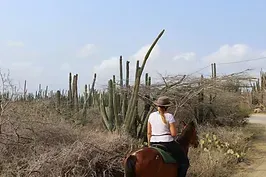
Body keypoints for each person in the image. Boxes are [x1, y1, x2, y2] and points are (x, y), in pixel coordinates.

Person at [147, 96, 189, 177]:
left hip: (153, 142)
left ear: (157, 106)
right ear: (167, 107)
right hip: (167, 143)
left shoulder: (151, 115)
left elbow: (149, 133)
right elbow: (173, 134)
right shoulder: (169, 116)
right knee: (184, 162)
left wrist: (149, 145)